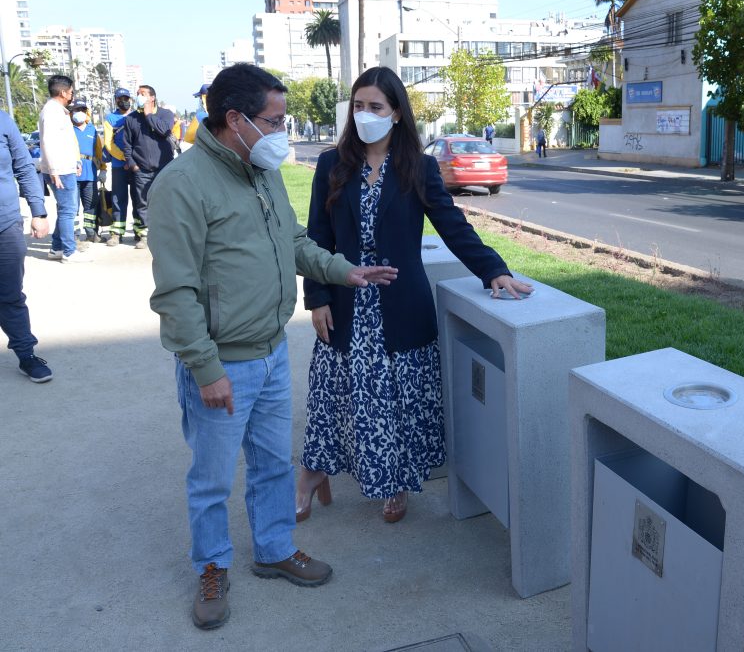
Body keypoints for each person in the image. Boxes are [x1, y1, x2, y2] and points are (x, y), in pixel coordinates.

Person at [147, 63, 397, 631]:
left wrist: (345, 271)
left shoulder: (259, 171)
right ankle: (212, 566)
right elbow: (176, 293)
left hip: (272, 351)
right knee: (211, 478)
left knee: (271, 466)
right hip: (222, 363)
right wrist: (206, 370)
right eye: (275, 120)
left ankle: (274, 548)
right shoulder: (183, 184)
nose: (284, 130)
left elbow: (295, 241)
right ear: (234, 120)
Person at [297, 66, 532, 525]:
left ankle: (396, 480)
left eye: (376, 107)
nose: (365, 114)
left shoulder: (418, 167)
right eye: (359, 105)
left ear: (397, 114)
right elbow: (317, 238)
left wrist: (493, 270)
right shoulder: (332, 164)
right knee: (336, 396)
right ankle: (311, 474)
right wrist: (317, 297)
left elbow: (452, 224)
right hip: (346, 305)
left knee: (399, 402)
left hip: (400, 308)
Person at [0, 110, 51, 382]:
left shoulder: (3, 120)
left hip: (5, 223)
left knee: (10, 295)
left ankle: (26, 355)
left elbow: (24, 167)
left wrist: (38, 211)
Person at [39, 74, 90, 263]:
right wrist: (54, 171)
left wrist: (75, 161)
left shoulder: (59, 110)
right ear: (62, 92)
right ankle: (69, 251)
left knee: (65, 209)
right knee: (69, 210)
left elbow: (67, 141)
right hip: (59, 170)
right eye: (71, 91)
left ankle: (56, 248)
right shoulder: (52, 112)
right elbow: (48, 143)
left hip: (65, 167)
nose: (72, 94)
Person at [122, 84, 176, 249]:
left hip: (164, 168)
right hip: (142, 170)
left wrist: (148, 114)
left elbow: (164, 130)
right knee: (143, 203)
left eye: (143, 94)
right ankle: (145, 236)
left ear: (152, 98)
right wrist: (133, 165)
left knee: (166, 201)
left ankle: (167, 234)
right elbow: (127, 145)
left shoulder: (165, 114)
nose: (139, 96)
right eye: (138, 94)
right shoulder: (131, 119)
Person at [103, 87, 134, 246]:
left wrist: (133, 159)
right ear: (115, 100)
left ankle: (141, 233)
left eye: (126, 98)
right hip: (118, 164)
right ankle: (116, 233)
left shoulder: (137, 116)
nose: (124, 101)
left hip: (136, 165)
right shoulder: (110, 118)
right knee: (118, 198)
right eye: (120, 98)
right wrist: (124, 157)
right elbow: (109, 143)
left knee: (139, 198)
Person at [70, 99, 104, 243]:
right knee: (73, 207)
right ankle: (74, 236)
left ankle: (91, 233)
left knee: (90, 205)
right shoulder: (68, 129)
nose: (80, 113)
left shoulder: (92, 130)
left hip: (90, 174)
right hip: (71, 173)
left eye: (82, 110)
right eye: (76, 110)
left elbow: (99, 151)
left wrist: (103, 169)